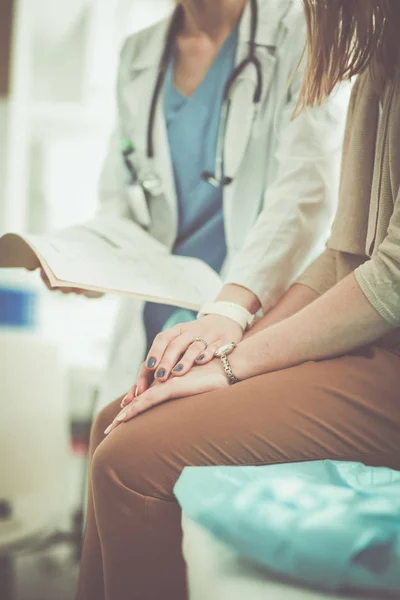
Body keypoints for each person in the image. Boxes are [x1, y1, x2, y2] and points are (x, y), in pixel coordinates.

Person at [76, 0, 400, 599]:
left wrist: (233, 356)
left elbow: (380, 272)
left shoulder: (302, 35)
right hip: (226, 311)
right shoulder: (378, 56)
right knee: (111, 424)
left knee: (129, 457)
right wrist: (238, 341)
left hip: (346, 333)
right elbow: (346, 253)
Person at [41, 0, 349, 409]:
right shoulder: (139, 53)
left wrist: (227, 311)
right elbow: (121, 202)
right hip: (156, 323)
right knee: (119, 451)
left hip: (244, 316)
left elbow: (305, 192)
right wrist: (87, 266)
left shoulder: (303, 33)